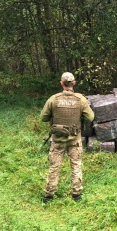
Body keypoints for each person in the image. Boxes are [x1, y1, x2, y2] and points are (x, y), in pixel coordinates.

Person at [40, 72, 94, 203]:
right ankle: (77, 195)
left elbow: (43, 118)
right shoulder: (80, 99)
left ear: (61, 84)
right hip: (74, 140)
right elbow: (90, 117)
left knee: (54, 167)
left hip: (58, 140)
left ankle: (48, 196)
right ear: (74, 83)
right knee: (76, 166)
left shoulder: (53, 99)